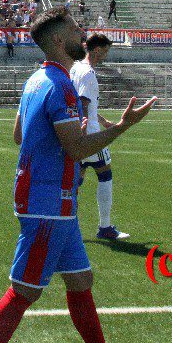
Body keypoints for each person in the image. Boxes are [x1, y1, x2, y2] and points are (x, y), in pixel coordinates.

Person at [0, 8, 156, 343]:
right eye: (78, 31)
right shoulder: (62, 86)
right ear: (60, 40)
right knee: (23, 292)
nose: (84, 36)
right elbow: (76, 149)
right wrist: (122, 127)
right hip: (46, 202)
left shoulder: (35, 80)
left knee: (80, 280)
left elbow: (19, 135)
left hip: (54, 200)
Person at [71, 33, 129, 241]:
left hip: (80, 132)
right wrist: (85, 135)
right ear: (96, 50)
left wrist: (102, 120)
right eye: (105, 51)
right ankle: (105, 227)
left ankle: (68, 225)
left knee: (76, 180)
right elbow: (84, 104)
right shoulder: (88, 74)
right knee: (105, 175)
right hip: (90, 135)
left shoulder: (76, 68)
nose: (106, 55)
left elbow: (81, 103)